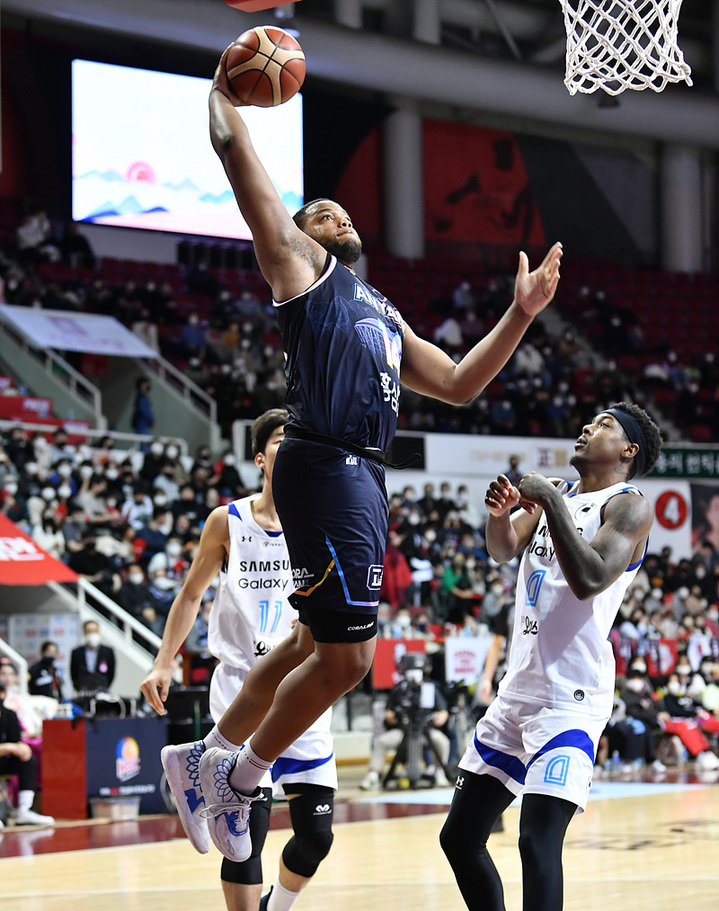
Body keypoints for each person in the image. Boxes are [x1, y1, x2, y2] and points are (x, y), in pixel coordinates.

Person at [156, 45, 562, 867]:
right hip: (326, 460)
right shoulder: (300, 271)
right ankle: (238, 779)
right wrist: (223, 94)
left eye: (340, 208)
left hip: (360, 474)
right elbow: (240, 164)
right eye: (320, 208)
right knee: (349, 660)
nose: (335, 210)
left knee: (312, 646)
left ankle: (203, 755)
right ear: (300, 236)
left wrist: (518, 316)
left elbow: (453, 384)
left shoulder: (377, 303)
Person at [437, 402, 662, 911]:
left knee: (538, 840)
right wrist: (501, 511)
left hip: (571, 700)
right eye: (588, 420)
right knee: (459, 834)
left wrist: (543, 500)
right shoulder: (561, 495)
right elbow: (502, 549)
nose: (585, 428)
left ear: (626, 450)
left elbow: (591, 576)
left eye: (601, 424)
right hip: (518, 692)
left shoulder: (628, 506)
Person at [141, 409, 337, 911]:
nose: (292, 451)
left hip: (304, 691)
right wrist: (165, 661)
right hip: (240, 690)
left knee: (317, 835)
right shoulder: (227, 521)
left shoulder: (321, 517)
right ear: (260, 457)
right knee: (243, 839)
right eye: (282, 442)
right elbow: (192, 592)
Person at [360, 652, 451, 790]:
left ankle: (440, 772)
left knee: (442, 741)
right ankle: (373, 774)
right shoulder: (399, 688)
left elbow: (443, 711)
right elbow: (388, 712)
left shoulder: (431, 688)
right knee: (382, 741)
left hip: (425, 731)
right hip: (402, 730)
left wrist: (440, 716)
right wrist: (391, 716)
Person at [0, 680, 55, 827]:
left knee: (28, 760)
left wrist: (22, 748)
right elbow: (11, 746)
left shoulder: (9, 715)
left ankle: (24, 810)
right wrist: (9, 747)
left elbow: (16, 742)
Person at [70, 621, 116, 694]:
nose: (92, 634)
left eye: (94, 631)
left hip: (102, 689)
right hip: (83, 690)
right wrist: (78, 687)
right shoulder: (77, 652)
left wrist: (105, 686)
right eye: (89, 631)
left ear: (98, 632)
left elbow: (111, 672)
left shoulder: (107, 651)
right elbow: (74, 672)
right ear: (84, 633)